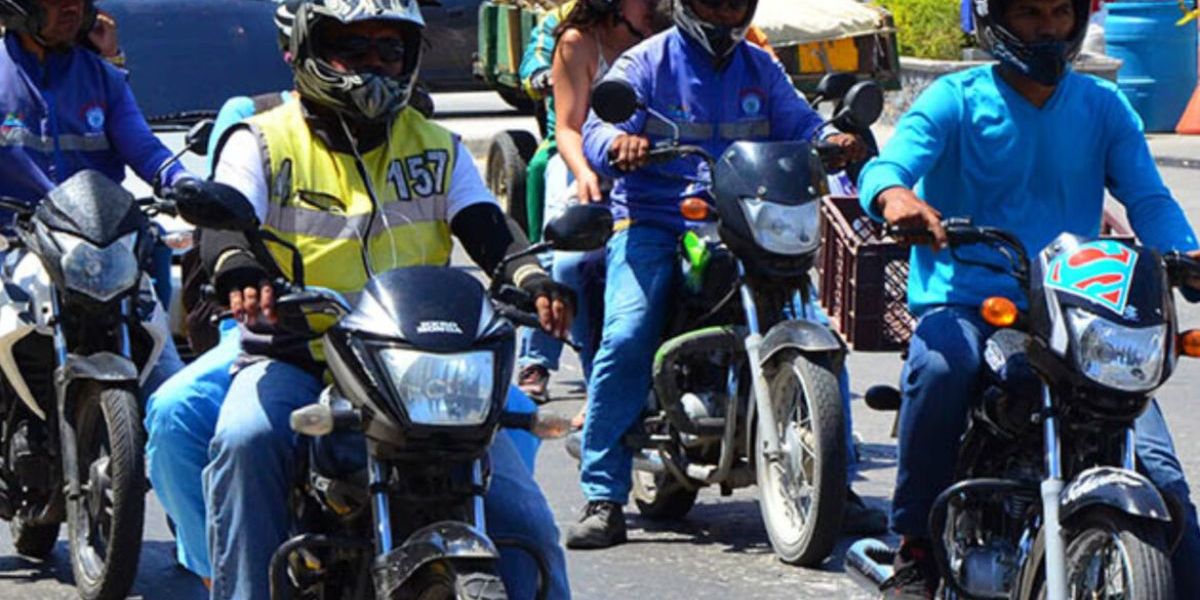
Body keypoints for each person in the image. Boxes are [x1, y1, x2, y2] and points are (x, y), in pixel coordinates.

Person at [163, 0, 575, 597]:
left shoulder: (437, 144)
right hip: (298, 354)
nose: (374, 64)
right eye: (352, 48)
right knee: (245, 439)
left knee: (527, 520)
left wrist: (532, 278)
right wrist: (239, 270)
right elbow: (228, 216)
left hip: (422, 369)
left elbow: (486, 226)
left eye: (390, 50)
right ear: (309, 48)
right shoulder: (263, 137)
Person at [857, 0, 1200, 596]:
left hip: (1077, 305)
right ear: (993, 20)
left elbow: (1149, 199)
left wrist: (1186, 252)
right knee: (940, 368)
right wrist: (895, 198)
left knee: (1160, 468)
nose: (1047, 28)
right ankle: (915, 548)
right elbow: (888, 167)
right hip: (968, 299)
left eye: (1060, 14)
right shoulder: (954, 99)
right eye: (1029, 13)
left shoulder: (1103, 106)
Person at [568, 0, 875, 549]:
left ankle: (837, 479)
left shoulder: (761, 66)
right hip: (656, 220)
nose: (727, 10)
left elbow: (801, 122)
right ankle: (602, 494)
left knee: (818, 325)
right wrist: (619, 143)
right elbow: (596, 129)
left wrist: (830, 141)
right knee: (628, 332)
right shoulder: (645, 63)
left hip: (747, 217)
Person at [0, 0, 185, 393]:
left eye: (79, 0)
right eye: (57, 0)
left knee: (170, 387)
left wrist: (183, 182)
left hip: (99, 249)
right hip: (13, 245)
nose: (72, 8)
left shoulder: (104, 78)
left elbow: (147, 150)